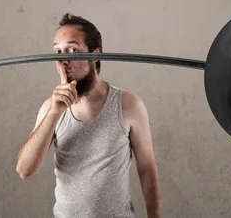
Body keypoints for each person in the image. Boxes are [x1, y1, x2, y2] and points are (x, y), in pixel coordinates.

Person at [15, 13, 162, 218]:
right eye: (57, 51)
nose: (64, 60)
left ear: (95, 54)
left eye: (73, 50)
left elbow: (146, 168)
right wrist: (55, 113)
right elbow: (24, 170)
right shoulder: (50, 108)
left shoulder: (129, 105)